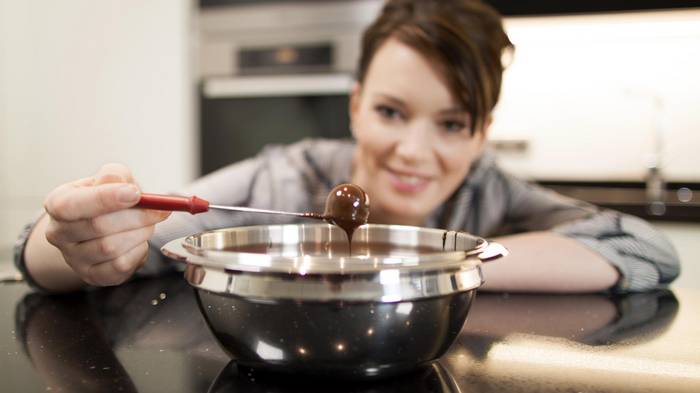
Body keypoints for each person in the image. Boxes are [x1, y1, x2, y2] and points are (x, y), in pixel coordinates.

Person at [15, 0, 679, 293]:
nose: (416, 151)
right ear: (356, 104)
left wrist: (434, 264)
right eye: (392, 111)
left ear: (482, 131)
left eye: (452, 124)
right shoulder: (281, 180)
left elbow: (644, 247)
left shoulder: (490, 193)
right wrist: (73, 238)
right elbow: (72, 250)